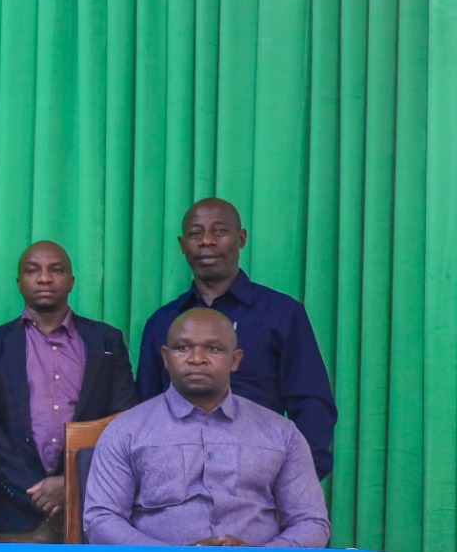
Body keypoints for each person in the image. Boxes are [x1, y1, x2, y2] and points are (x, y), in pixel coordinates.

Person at [84, 309, 330, 547]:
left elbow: (311, 522)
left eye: (213, 349)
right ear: (166, 358)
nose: (196, 359)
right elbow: (101, 519)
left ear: (235, 360)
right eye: (182, 348)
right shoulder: (126, 431)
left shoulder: (281, 433)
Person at [136, 198, 336, 478]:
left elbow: (312, 404)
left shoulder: (282, 314)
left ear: (241, 238)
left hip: (259, 476)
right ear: (182, 245)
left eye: (219, 231)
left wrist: (297, 478)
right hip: (176, 478)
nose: (207, 241)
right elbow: (144, 411)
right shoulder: (162, 322)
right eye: (196, 233)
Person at [0, 241, 139, 541]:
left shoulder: (106, 340)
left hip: (94, 506)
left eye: (56, 270)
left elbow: (123, 419)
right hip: (19, 510)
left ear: (72, 281)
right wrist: (37, 492)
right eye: (33, 271)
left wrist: (71, 483)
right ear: (19, 282)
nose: (45, 278)